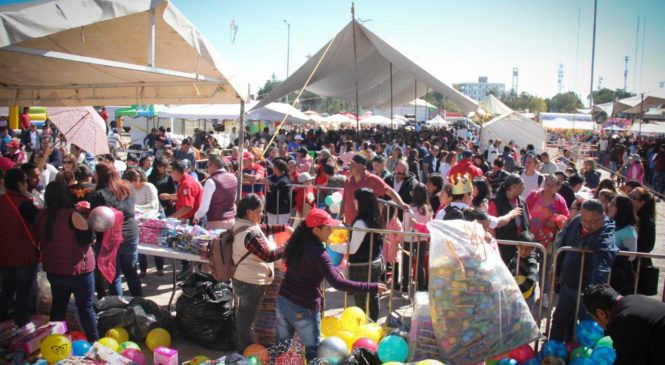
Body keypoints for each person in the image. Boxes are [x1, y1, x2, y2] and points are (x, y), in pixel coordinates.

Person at [277, 208, 386, 360]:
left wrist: (332, 269)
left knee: (281, 350)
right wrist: (371, 286)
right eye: (328, 228)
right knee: (313, 354)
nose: (331, 231)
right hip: (304, 307)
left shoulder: (297, 244)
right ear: (316, 230)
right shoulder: (319, 253)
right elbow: (338, 284)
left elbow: (309, 266)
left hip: (283, 302)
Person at [36, 181, 98, 341]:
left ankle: (54, 341)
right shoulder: (72, 215)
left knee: (58, 307)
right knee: (85, 308)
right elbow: (86, 239)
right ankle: (93, 342)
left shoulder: (41, 216)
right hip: (78, 271)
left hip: (54, 270)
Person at [550, 199, 617, 342]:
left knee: (589, 329)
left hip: (587, 290)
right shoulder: (576, 221)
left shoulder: (606, 235)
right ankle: (551, 354)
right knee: (559, 322)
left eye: (593, 222)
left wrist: (594, 295)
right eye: (584, 221)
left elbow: (602, 266)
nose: (587, 226)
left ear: (602, 216)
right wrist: (556, 270)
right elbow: (563, 242)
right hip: (568, 284)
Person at [231, 194, 291, 353]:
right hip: (250, 283)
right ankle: (245, 351)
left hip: (244, 279)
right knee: (246, 320)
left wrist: (283, 228)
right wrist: (288, 245)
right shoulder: (249, 233)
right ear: (249, 212)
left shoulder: (242, 225)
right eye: (260, 211)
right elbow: (269, 255)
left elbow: (263, 229)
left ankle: (245, 347)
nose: (262, 214)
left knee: (245, 316)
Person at [330, 188, 385, 321]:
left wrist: (332, 246)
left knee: (361, 300)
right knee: (372, 296)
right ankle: (373, 324)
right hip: (374, 262)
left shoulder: (361, 222)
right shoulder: (375, 217)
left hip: (363, 267)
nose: (354, 201)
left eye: (356, 199)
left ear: (362, 203)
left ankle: (367, 325)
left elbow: (352, 248)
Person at [90, 161, 142, 297]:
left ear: (99, 175)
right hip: (130, 233)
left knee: (114, 275)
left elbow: (96, 219)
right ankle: (140, 301)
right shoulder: (128, 187)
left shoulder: (99, 194)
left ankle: (118, 309)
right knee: (131, 271)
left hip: (110, 237)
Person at [582, 283, 665, 365]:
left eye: (595, 319)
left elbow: (627, 360)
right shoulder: (633, 298)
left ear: (601, 314)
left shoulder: (623, 322)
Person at [0, 168, 40, 327]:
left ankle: (2, 324)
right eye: (25, 181)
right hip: (25, 256)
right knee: (24, 293)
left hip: (4, 256)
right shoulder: (24, 204)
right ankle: (20, 325)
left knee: (6, 292)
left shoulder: (2, 201)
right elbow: (40, 223)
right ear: (19, 184)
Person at [341, 154, 408, 224]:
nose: (350, 167)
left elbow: (390, 191)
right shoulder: (347, 181)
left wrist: (401, 203)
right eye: (350, 164)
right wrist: (340, 218)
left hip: (366, 226)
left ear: (362, 167)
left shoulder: (373, 180)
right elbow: (344, 200)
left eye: (353, 164)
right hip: (348, 225)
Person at [488, 174, 530, 264]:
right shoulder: (496, 203)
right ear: (513, 186)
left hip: (521, 248)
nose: (524, 187)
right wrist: (495, 248)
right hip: (503, 246)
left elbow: (527, 221)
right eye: (521, 185)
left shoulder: (522, 201)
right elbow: (491, 227)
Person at [193, 155, 237, 229]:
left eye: (207, 166)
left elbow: (204, 208)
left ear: (213, 165)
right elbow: (234, 200)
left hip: (216, 224)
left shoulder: (211, 181)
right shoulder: (234, 178)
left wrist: (196, 216)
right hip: (232, 222)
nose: (207, 169)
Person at [402, 184, 431, 292]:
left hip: (408, 238)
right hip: (422, 239)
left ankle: (405, 286)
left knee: (406, 263)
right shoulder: (429, 209)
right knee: (420, 263)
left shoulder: (409, 209)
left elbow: (405, 226)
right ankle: (420, 286)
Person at [607, 195, 638, 294]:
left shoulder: (629, 231)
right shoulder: (610, 223)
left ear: (621, 209)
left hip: (619, 276)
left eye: (612, 204)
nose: (608, 206)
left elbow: (631, 255)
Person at [508, 242, 539, 313]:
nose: (524, 252)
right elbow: (509, 267)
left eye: (527, 249)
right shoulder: (516, 255)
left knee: (526, 313)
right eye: (521, 248)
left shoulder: (532, 262)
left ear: (532, 249)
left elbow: (531, 279)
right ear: (517, 246)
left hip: (527, 295)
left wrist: (518, 290)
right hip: (516, 291)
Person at [265, 159, 291, 225]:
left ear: (277, 168)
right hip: (272, 210)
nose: (272, 168)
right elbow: (266, 179)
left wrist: (269, 183)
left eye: (274, 167)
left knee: (280, 232)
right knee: (271, 229)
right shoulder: (273, 177)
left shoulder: (285, 179)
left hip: (281, 211)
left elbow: (277, 185)